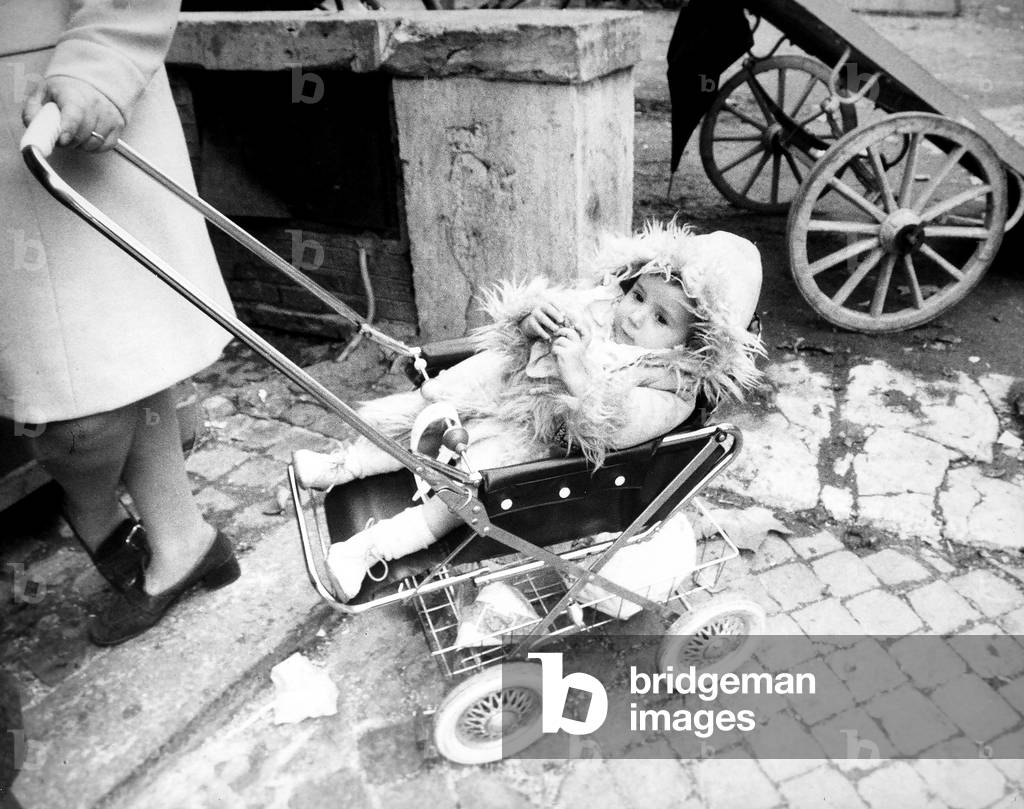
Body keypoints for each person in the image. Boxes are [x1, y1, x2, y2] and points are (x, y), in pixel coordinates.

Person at [291, 221, 765, 601]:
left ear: (695, 342)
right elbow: (551, 308)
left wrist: (579, 371)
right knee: (432, 404)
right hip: (504, 382)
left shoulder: (668, 384)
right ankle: (346, 463)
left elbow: (618, 427)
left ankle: (371, 548)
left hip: (550, 438)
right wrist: (531, 317)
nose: (636, 315)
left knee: (469, 486)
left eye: (662, 318)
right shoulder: (603, 306)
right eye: (638, 295)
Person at [1, 0, 239, 646]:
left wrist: (100, 62)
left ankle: (94, 510)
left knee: (82, 401)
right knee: (118, 356)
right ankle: (182, 538)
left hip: (68, 91)